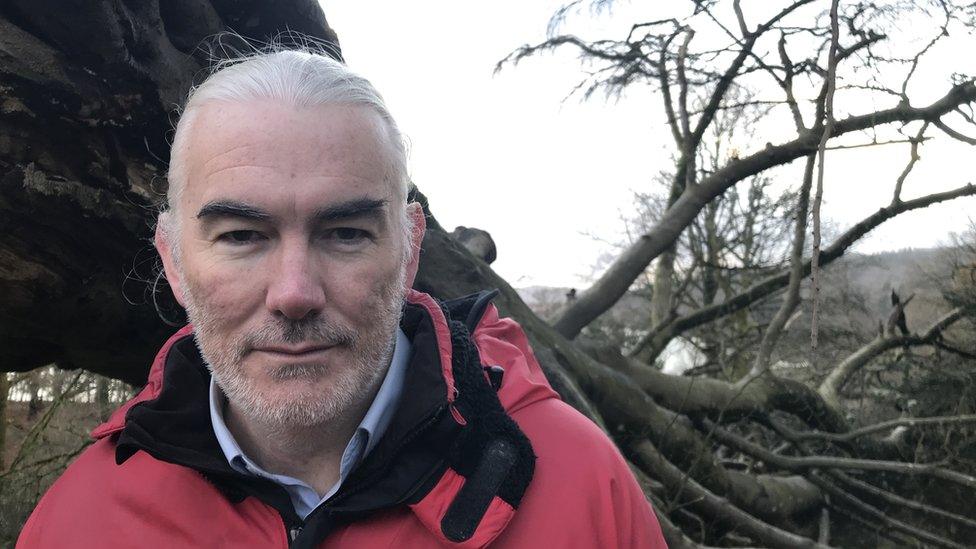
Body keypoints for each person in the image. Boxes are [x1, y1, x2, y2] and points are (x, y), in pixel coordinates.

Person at [17, 48, 667, 549]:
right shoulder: (81, 519)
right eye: (243, 235)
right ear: (174, 260)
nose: (295, 292)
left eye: (346, 233)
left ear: (410, 252)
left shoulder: (582, 489)